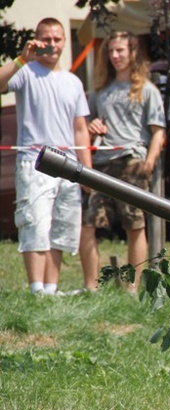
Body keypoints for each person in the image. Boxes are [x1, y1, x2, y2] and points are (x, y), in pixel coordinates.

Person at [0, 17, 92, 295]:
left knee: (63, 227)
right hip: (34, 161)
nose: (52, 44)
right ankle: (36, 289)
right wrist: (20, 60)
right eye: (46, 39)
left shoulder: (73, 82)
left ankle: (51, 290)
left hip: (69, 165)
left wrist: (87, 171)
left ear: (64, 42)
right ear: (37, 40)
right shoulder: (26, 72)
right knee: (35, 223)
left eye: (57, 39)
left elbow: (80, 130)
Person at [79, 31, 166, 292]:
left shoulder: (147, 90)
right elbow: (85, 125)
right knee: (88, 223)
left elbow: (158, 131)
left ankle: (132, 289)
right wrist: (91, 125)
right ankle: (90, 289)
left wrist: (148, 163)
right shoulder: (100, 90)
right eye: (111, 51)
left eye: (121, 51)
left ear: (133, 53)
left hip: (132, 161)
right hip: (101, 164)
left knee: (134, 225)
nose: (115, 56)